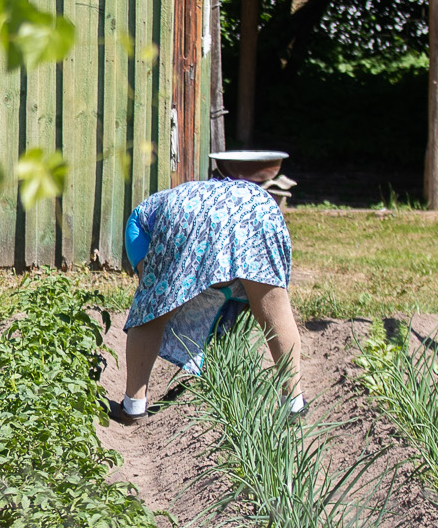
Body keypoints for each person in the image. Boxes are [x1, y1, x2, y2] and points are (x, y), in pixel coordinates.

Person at [111, 151, 302, 423]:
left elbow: (153, 290)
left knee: (150, 313)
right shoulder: (184, 197)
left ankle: (133, 407)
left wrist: (159, 300)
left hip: (188, 217)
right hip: (258, 208)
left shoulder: (138, 223)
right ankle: (294, 403)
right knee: (275, 312)